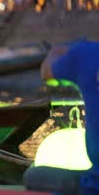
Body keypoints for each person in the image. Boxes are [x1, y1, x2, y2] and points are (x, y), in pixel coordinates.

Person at [24, 41, 99, 194]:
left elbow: (47, 74)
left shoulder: (86, 54)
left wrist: (56, 51)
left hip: (94, 185)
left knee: (32, 176)